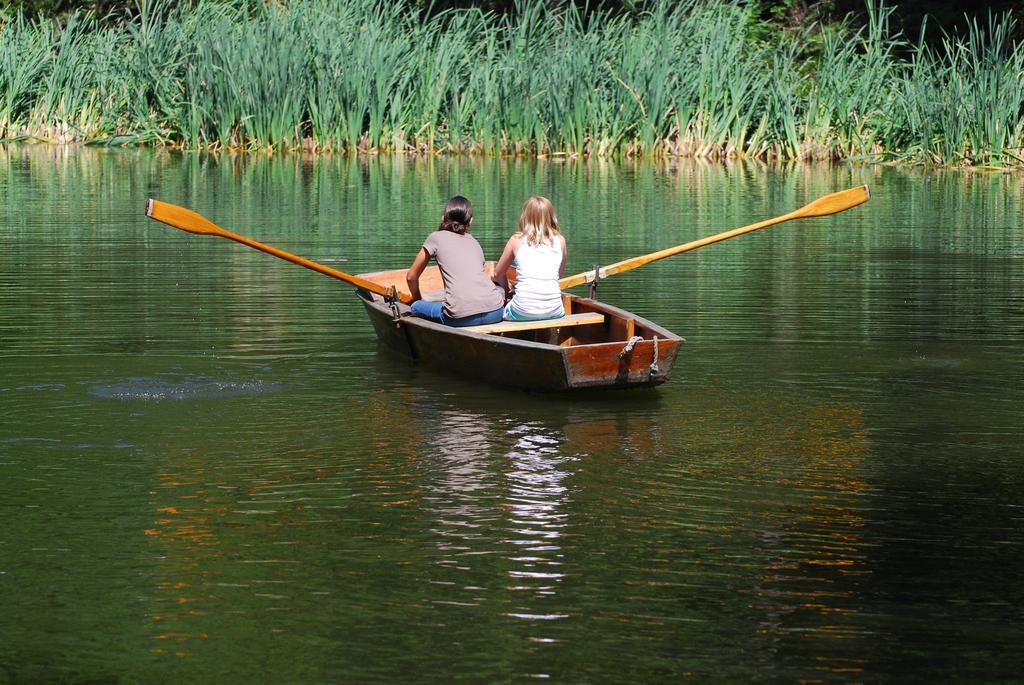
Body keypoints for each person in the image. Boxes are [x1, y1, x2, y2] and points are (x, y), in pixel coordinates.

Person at [407, 195, 506, 327]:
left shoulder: (435, 237)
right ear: (470, 221)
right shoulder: (474, 242)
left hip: (460, 317)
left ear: (443, 218)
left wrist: (417, 298)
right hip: (496, 311)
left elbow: (411, 277)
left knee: (416, 307)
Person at [492, 196, 567, 321]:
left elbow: (498, 274)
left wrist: (508, 289)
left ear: (525, 217)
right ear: (551, 217)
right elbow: (558, 275)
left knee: (502, 307)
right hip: (555, 310)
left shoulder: (516, 240)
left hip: (522, 309)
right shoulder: (561, 241)